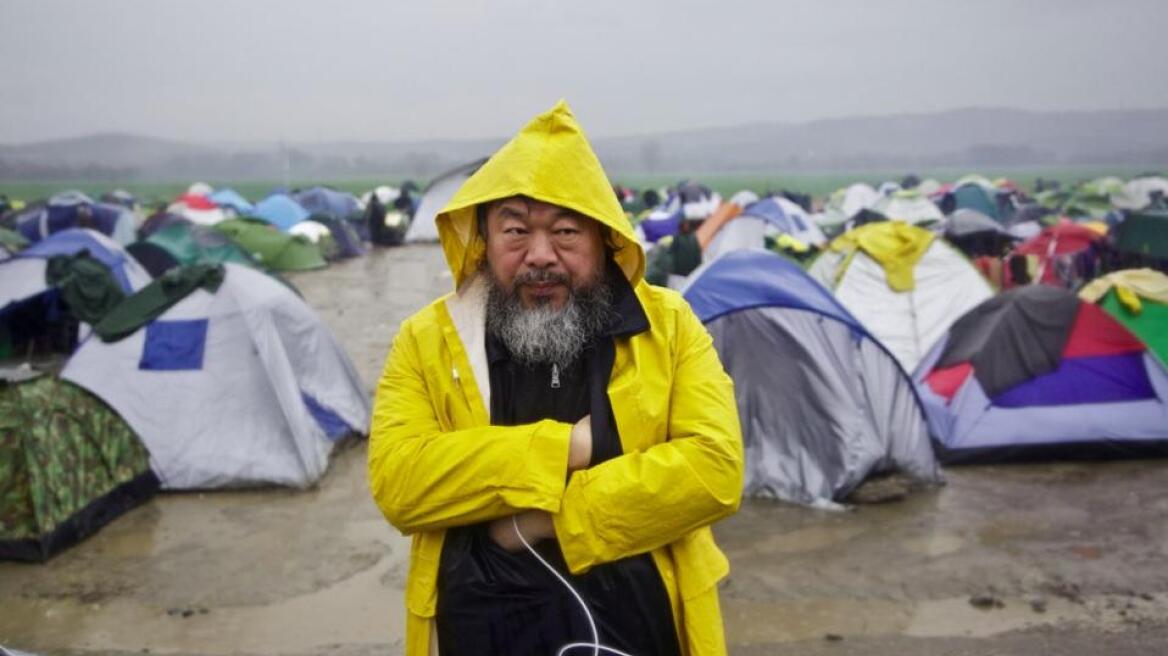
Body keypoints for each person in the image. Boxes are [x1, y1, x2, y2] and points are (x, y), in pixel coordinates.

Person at [368, 101, 744, 655]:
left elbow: (713, 470)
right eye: (515, 230)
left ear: (604, 238)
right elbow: (401, 482)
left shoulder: (668, 326)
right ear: (483, 239)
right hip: (478, 625)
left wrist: (541, 521)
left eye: (566, 231)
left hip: (641, 622)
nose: (539, 255)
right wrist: (569, 446)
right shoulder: (427, 340)